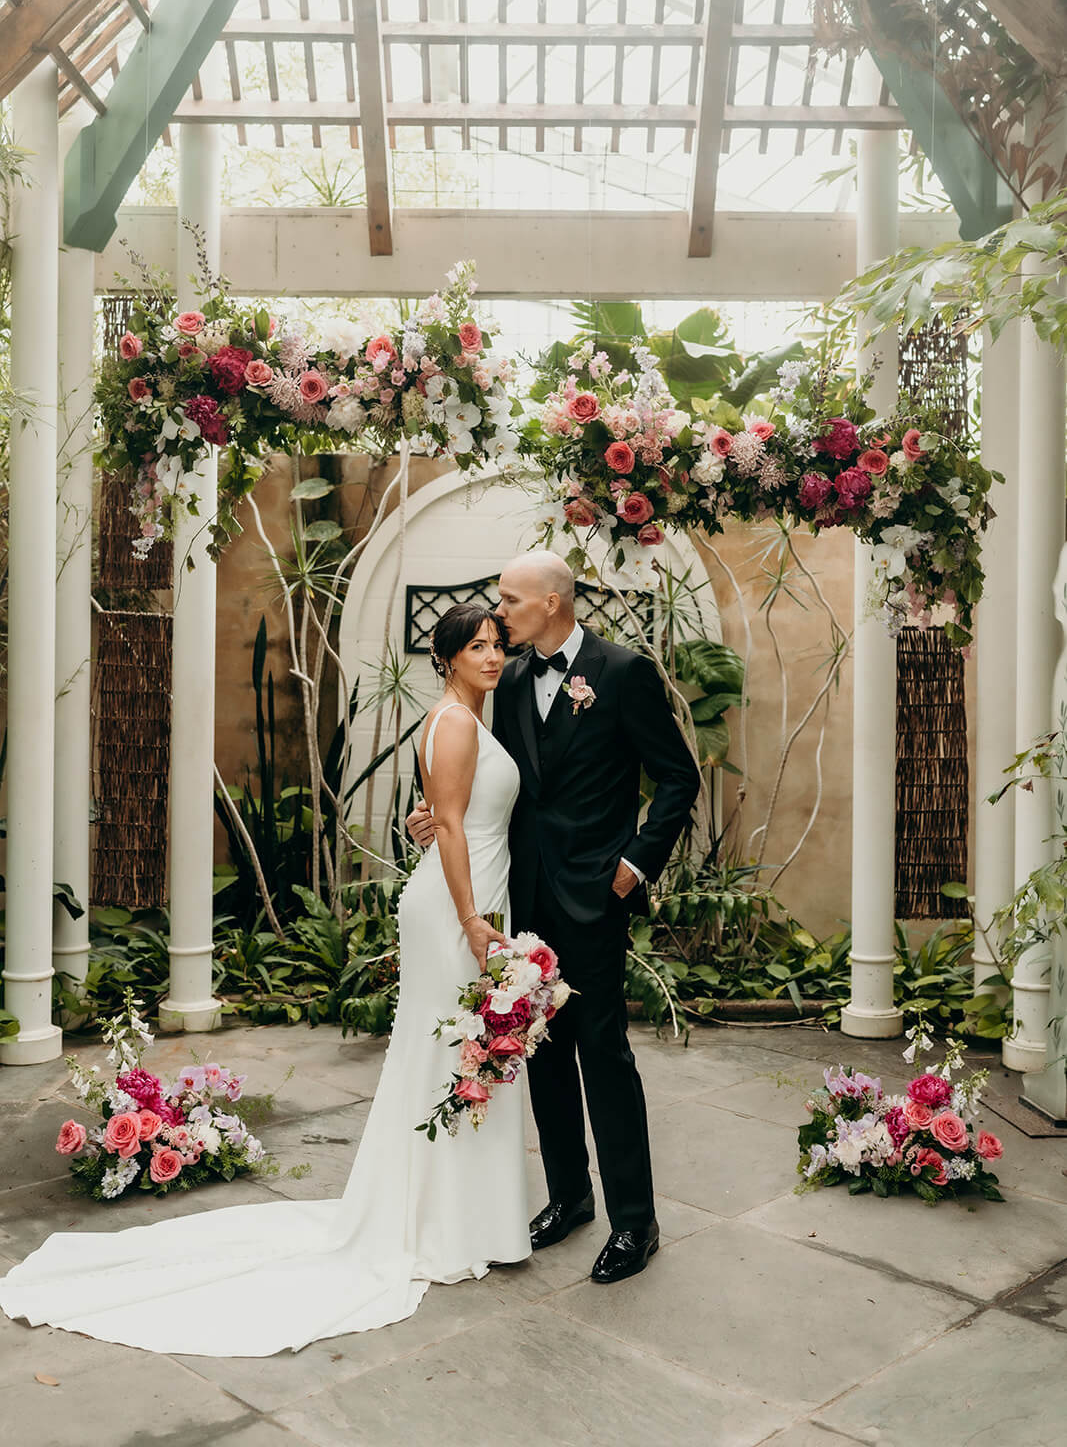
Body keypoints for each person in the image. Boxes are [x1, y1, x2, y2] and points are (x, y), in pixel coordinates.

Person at [0, 604, 529, 1357]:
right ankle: (438, 1221)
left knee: (463, 1057)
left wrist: (464, 877)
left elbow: (445, 814)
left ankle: (462, 1213)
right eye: (477, 647)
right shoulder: (452, 722)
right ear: (445, 657)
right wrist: (473, 919)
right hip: (454, 909)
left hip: (470, 895)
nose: (492, 656)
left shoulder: (466, 722)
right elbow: (447, 825)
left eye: (497, 646)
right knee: (451, 1056)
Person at [409, 552, 700, 1283]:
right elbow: (481, 778)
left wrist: (633, 865)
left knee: (603, 1055)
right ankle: (569, 1198)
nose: (498, 612)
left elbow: (676, 775)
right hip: (520, 895)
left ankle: (635, 1221)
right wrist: (430, 817)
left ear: (551, 601)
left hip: (594, 899)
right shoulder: (505, 680)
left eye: (508, 601)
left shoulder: (621, 671)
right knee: (539, 1053)